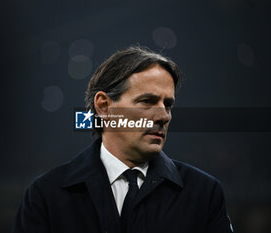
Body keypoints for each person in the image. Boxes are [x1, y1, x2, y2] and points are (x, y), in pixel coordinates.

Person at [12, 46, 234, 233]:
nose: (163, 116)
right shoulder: (46, 194)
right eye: (147, 101)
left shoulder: (204, 193)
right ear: (104, 106)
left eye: (168, 104)